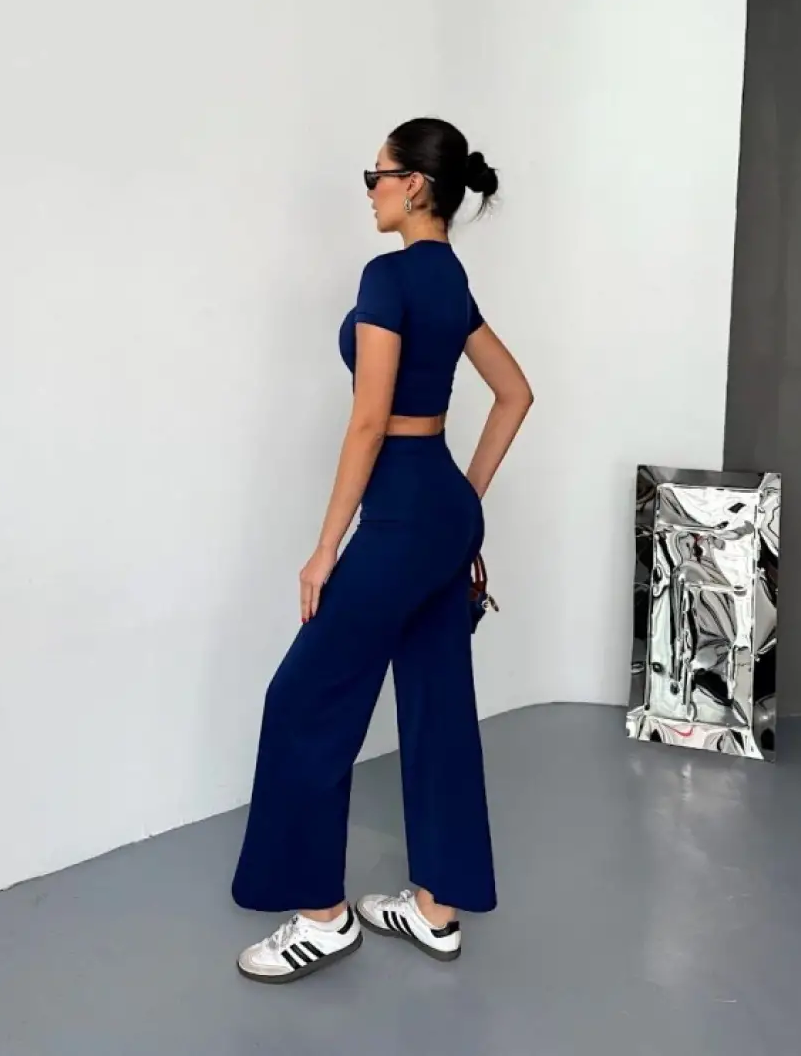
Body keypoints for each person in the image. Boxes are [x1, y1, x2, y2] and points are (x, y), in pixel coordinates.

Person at [232, 118, 534, 983]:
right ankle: (438, 907)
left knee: (302, 699)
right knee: (438, 701)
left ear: (415, 186)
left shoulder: (388, 276)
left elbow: (368, 421)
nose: (369, 190)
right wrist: (464, 498)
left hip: (400, 513)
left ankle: (321, 916)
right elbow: (515, 393)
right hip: (441, 505)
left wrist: (325, 547)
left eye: (378, 174)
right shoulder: (450, 278)